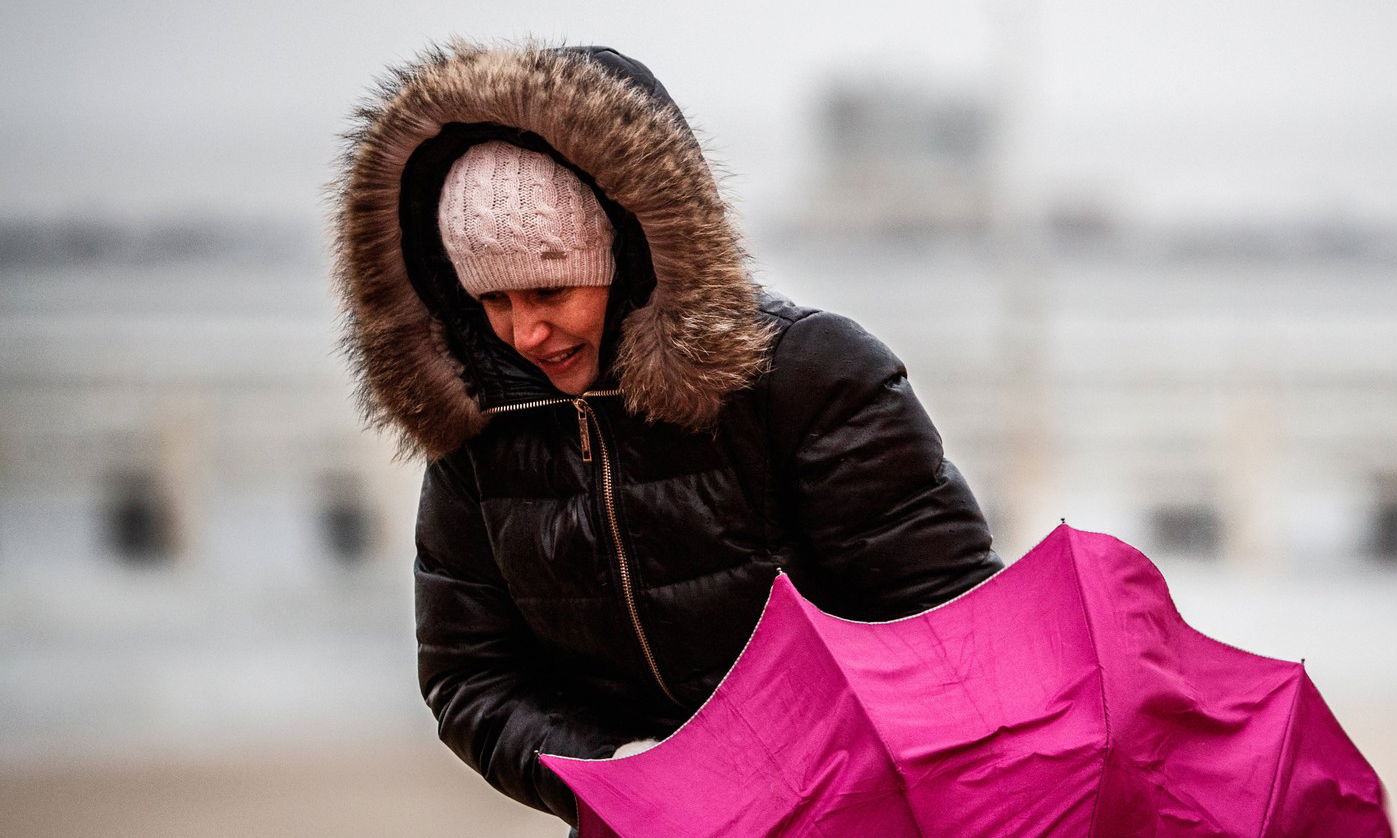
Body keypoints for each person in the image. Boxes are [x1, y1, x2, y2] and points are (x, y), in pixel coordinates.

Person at [330, 43, 1003, 827]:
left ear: (632, 252)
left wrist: (813, 777)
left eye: (550, 288)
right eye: (493, 301)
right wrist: (620, 773)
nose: (527, 331)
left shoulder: (809, 376)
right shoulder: (481, 428)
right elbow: (470, 680)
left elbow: (949, 628)